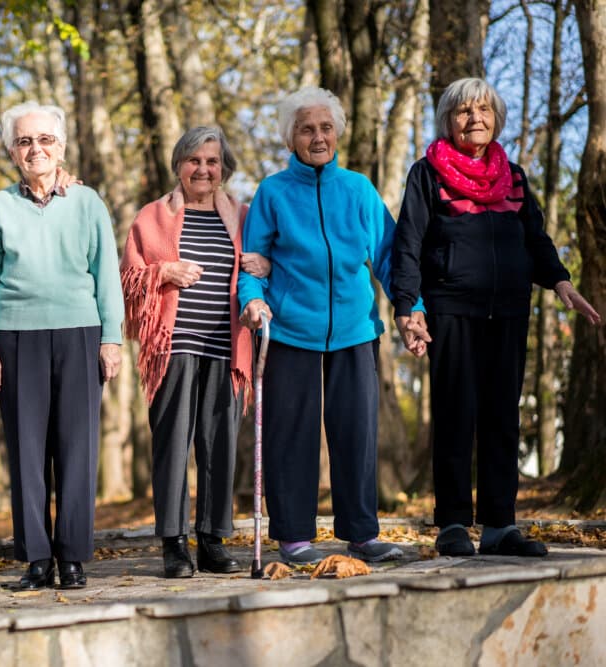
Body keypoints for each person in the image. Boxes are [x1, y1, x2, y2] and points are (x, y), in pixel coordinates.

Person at [391, 78, 601, 558]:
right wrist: (408, 306)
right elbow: (408, 242)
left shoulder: (515, 176)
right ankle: (452, 525)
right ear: (449, 120)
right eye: (464, 111)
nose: (475, 118)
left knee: (503, 416)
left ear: (496, 118)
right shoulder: (427, 174)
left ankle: (500, 526)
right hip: (450, 307)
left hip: (508, 309)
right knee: (455, 415)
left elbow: (536, 239)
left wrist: (561, 281)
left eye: (484, 110)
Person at [238, 87, 428, 566]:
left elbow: (388, 258)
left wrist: (410, 308)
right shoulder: (272, 193)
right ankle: (294, 535)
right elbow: (251, 264)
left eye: (325, 127)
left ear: (337, 132)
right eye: (306, 129)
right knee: (291, 434)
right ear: (290, 139)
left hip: (354, 329)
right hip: (289, 331)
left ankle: (362, 534)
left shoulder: (359, 191)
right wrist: (253, 303)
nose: (317, 137)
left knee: (356, 433)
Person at [0, 101, 124, 590]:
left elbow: (107, 276)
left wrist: (112, 338)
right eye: (24, 141)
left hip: (79, 332)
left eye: (45, 140)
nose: (35, 149)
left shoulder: (88, 203)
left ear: (60, 147)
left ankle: (73, 556)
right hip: (16, 336)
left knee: (77, 450)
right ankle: (37, 558)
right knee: (26, 452)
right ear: (12, 151)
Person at [120, 126, 269, 578]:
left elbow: (263, 264)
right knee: (172, 443)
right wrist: (163, 270)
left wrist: (265, 264)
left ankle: (212, 540)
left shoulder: (243, 216)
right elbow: (127, 278)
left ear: (224, 168)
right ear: (179, 166)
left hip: (226, 346)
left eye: (212, 161)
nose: (203, 169)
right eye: (194, 161)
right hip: (174, 345)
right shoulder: (151, 217)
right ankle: (173, 543)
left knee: (218, 443)